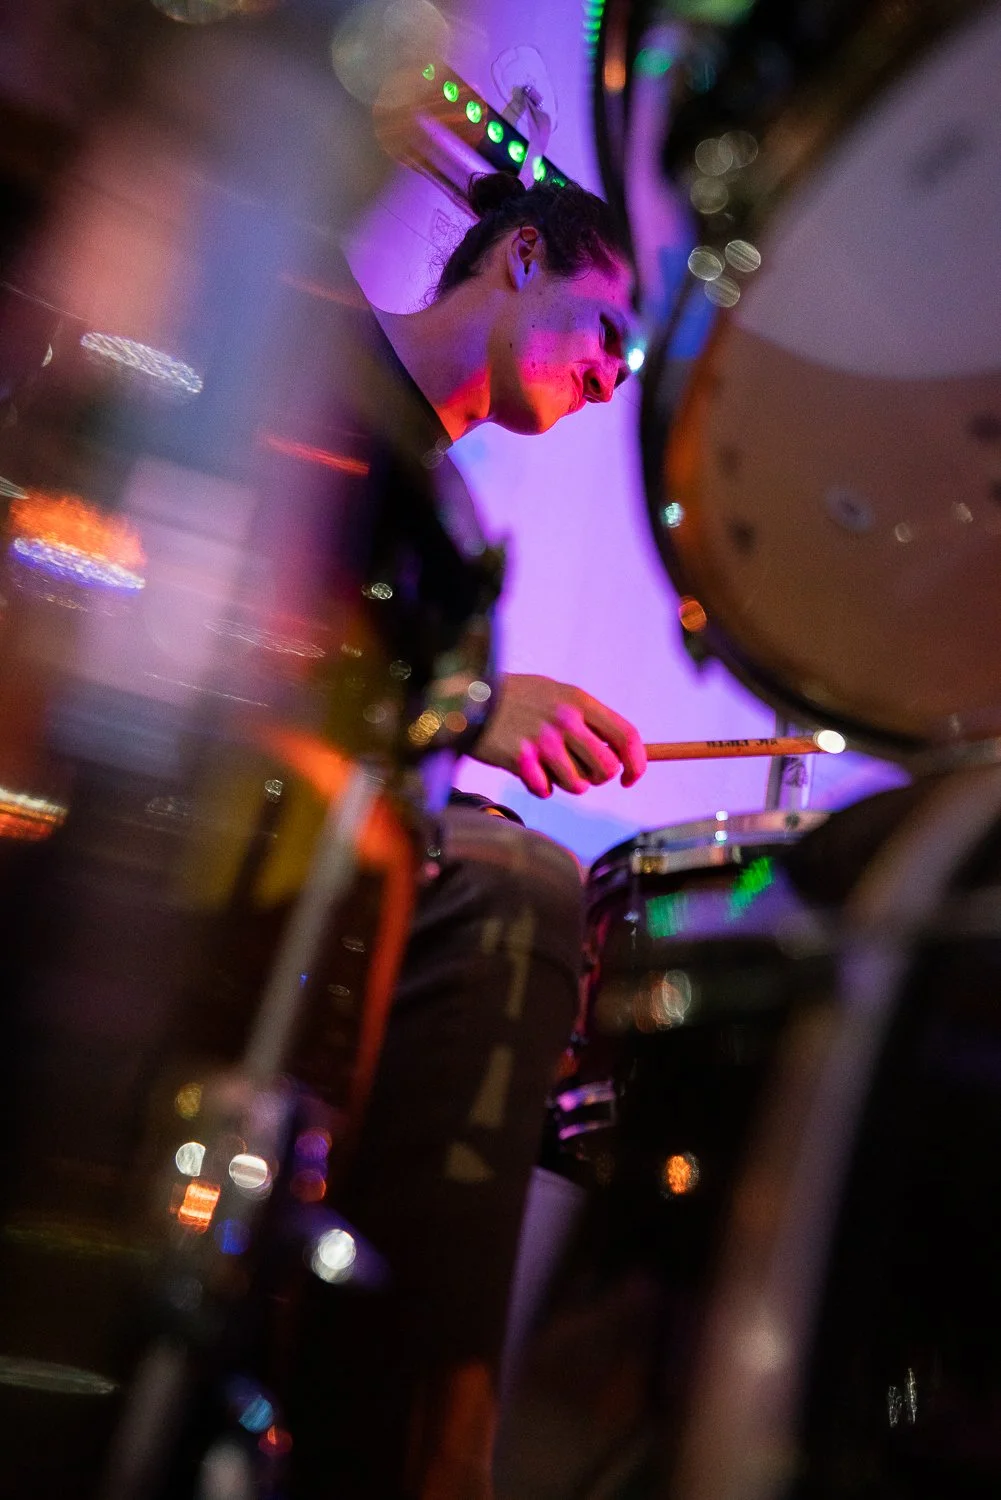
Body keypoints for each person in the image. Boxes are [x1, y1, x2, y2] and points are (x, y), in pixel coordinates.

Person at [283, 171, 647, 1500]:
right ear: (524, 258)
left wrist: (456, 728)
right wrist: (468, 707)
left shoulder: (453, 531)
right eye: (609, 331)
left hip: (313, 862)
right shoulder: (314, 338)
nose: (611, 378)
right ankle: (424, 1451)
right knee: (516, 888)